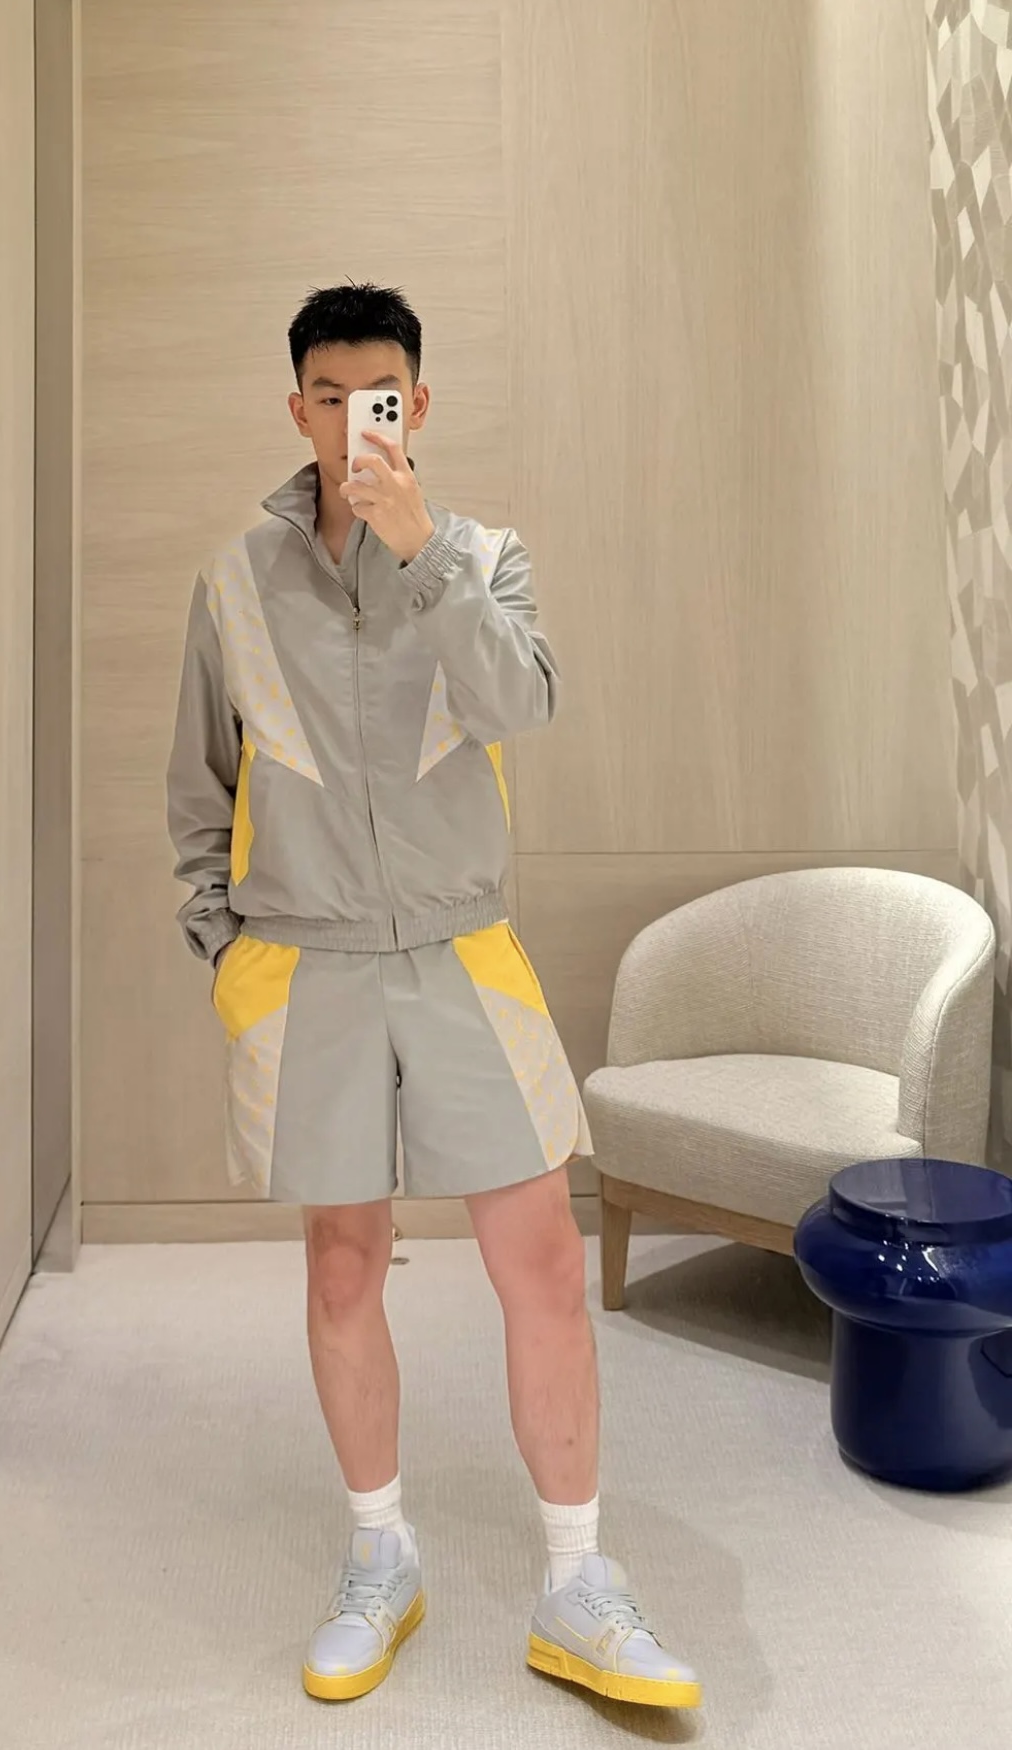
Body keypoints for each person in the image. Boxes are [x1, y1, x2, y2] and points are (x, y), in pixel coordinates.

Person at [166, 283, 701, 1712]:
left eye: (383, 396)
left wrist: (422, 556)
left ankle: (578, 1579)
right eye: (330, 395)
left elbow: (522, 704)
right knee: (344, 1266)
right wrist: (224, 950)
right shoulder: (233, 581)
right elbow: (197, 786)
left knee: (543, 1263)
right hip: (307, 965)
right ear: (296, 408)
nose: (357, 419)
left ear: (418, 405)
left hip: (464, 952)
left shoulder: (484, 558)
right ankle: (378, 1556)